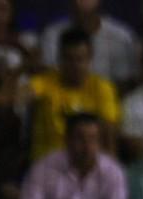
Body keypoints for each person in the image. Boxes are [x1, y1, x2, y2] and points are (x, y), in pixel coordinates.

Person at [14, 112, 126, 199]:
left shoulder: (113, 173)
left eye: (93, 139)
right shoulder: (43, 169)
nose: (87, 146)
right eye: (80, 138)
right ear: (67, 140)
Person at [26, 27, 119, 160]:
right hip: (47, 166)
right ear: (59, 58)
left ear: (90, 58)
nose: (74, 65)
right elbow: (14, 97)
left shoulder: (102, 87)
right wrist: (24, 66)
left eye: (80, 59)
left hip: (86, 166)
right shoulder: (45, 82)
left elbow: (109, 134)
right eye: (68, 59)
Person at [39, 0, 139, 88]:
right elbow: (48, 78)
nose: (78, 2)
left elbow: (127, 83)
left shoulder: (122, 37)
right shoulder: (52, 34)